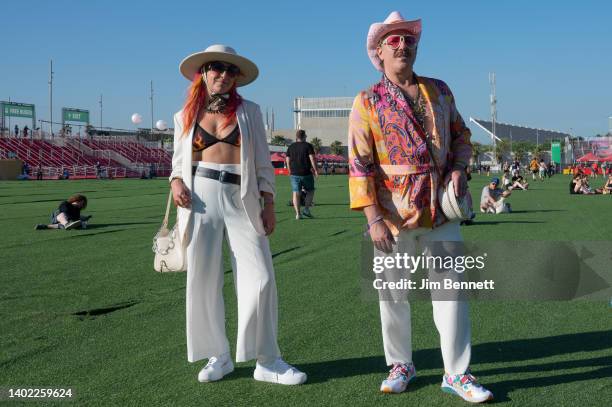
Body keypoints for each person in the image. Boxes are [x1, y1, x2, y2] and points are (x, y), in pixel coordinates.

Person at [348, 12, 492, 403]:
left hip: (441, 208)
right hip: (391, 214)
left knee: (452, 292)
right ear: (378, 51)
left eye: (407, 39)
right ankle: (400, 364)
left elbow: (461, 135)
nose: (402, 46)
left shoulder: (440, 90)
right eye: (392, 41)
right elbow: (360, 162)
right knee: (392, 294)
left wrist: (460, 168)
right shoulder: (366, 101)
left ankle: (457, 373)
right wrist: (372, 216)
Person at [169, 44, 306, 386]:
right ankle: (219, 355)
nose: (224, 75)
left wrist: (270, 202)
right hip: (199, 199)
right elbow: (177, 160)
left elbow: (262, 161)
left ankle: (268, 360)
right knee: (203, 279)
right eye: (217, 67)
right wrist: (174, 181)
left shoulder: (250, 112)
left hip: (240, 197)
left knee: (261, 276)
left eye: (231, 71)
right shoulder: (185, 114)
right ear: (204, 71)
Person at [285, 129, 318, 219]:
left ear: (296, 137)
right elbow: (312, 158)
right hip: (306, 173)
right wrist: (315, 170)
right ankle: (306, 209)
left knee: (296, 193)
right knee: (311, 190)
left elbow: (287, 159)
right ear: (304, 136)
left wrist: (289, 170)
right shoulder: (308, 146)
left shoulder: (291, 146)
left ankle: (298, 214)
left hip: (294, 173)